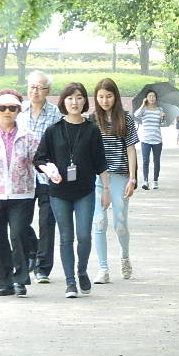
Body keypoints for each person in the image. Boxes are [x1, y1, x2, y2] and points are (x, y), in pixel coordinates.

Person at [34, 82, 109, 299]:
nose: (74, 102)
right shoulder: (53, 130)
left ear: (85, 101)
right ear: (63, 102)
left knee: (84, 236)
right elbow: (39, 158)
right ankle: (70, 282)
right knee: (66, 237)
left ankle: (82, 270)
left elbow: (100, 162)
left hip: (85, 190)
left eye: (78, 98)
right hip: (59, 192)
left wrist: (105, 190)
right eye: (70, 98)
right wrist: (48, 169)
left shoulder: (92, 130)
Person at [0, 89, 39, 297]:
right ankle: (4, 281)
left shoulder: (28, 136)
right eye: (2, 108)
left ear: (18, 111)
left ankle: (20, 279)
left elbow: (39, 160)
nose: (7, 112)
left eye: (12, 108)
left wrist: (51, 172)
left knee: (19, 233)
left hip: (21, 194)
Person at [17, 70, 62, 283]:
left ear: (48, 91)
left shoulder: (55, 115)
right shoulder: (19, 113)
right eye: (32, 87)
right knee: (20, 222)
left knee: (47, 221)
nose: (35, 91)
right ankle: (33, 249)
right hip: (23, 177)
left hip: (46, 176)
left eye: (40, 87)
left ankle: (43, 268)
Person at [92, 78, 139, 284]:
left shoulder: (126, 119)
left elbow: (131, 149)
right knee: (99, 221)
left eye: (109, 96)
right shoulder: (92, 119)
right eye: (101, 96)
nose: (105, 100)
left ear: (116, 97)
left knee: (120, 224)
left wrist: (133, 178)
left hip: (120, 175)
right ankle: (103, 268)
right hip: (98, 178)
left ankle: (125, 256)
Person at [134, 90, 164, 190]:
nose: (152, 98)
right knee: (146, 161)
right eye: (149, 96)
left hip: (157, 139)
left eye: (153, 96)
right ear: (146, 98)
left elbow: (162, 123)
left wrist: (163, 117)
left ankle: (155, 181)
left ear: (156, 98)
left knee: (157, 161)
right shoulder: (144, 110)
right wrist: (143, 104)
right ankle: (145, 181)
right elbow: (136, 115)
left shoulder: (160, 109)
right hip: (145, 140)